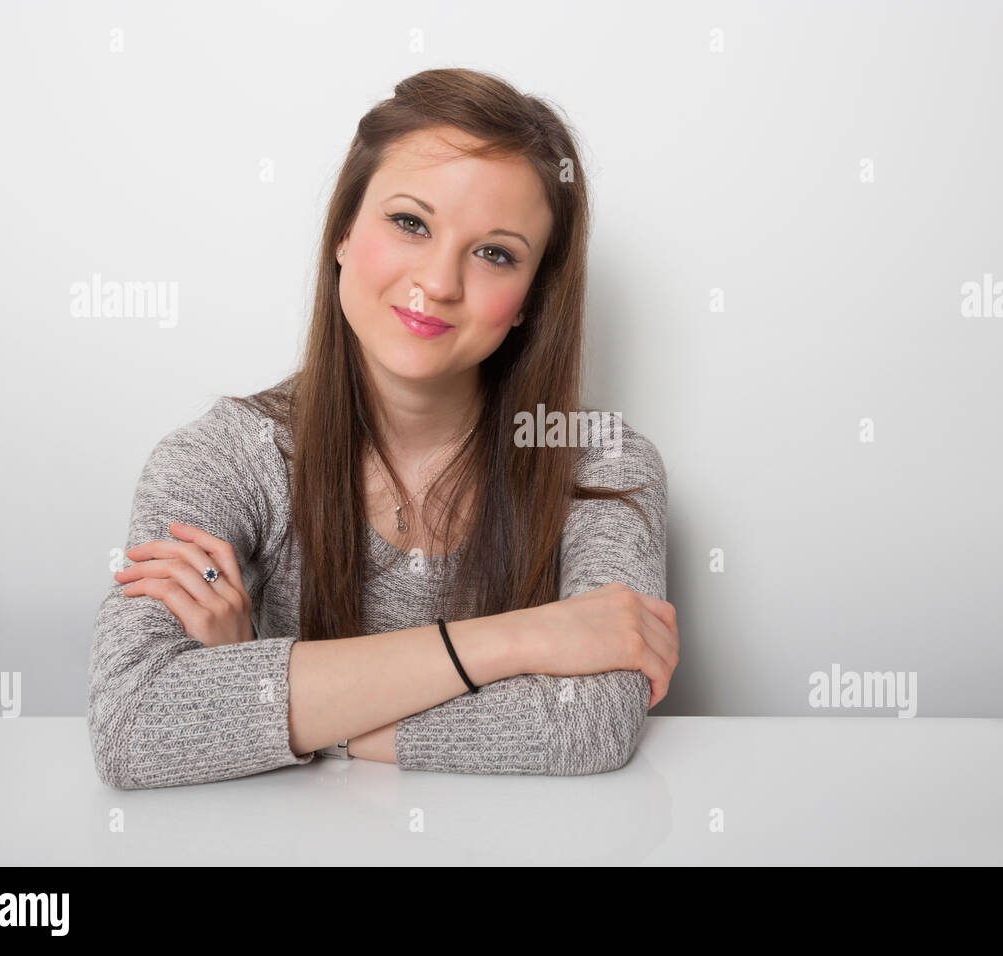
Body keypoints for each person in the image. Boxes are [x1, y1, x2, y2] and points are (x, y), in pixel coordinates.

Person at [86, 68, 678, 790]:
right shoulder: (224, 457)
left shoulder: (600, 463)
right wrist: (526, 637)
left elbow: (590, 721)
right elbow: (134, 722)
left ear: (529, 299)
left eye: (495, 253)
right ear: (342, 232)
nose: (439, 281)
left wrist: (271, 702)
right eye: (410, 223)